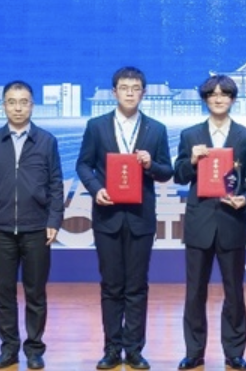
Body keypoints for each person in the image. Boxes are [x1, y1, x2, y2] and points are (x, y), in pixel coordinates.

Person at [75, 67, 174, 371]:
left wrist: (151, 164)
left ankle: (134, 350)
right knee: (111, 285)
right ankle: (111, 349)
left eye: (135, 88)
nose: (130, 93)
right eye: (124, 87)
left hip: (141, 218)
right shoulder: (96, 126)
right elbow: (83, 165)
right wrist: (96, 189)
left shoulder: (156, 129)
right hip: (108, 216)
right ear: (114, 92)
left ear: (144, 92)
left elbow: (167, 171)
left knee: (137, 286)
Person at [0, 81, 65, 370]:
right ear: (3, 105)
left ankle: (34, 349)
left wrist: (54, 220)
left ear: (32, 106)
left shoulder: (46, 141)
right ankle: (9, 348)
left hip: (37, 228)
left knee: (35, 292)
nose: (17, 108)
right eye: (12, 102)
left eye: (23, 102)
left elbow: (56, 184)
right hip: (0, 229)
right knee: (4, 292)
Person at [173, 75, 246, 371]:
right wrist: (191, 161)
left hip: (232, 221)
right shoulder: (190, 135)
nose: (219, 99)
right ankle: (194, 351)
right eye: (213, 94)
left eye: (224, 94)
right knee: (194, 291)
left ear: (233, 99)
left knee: (234, 291)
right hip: (199, 222)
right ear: (205, 99)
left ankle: (234, 352)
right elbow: (179, 175)